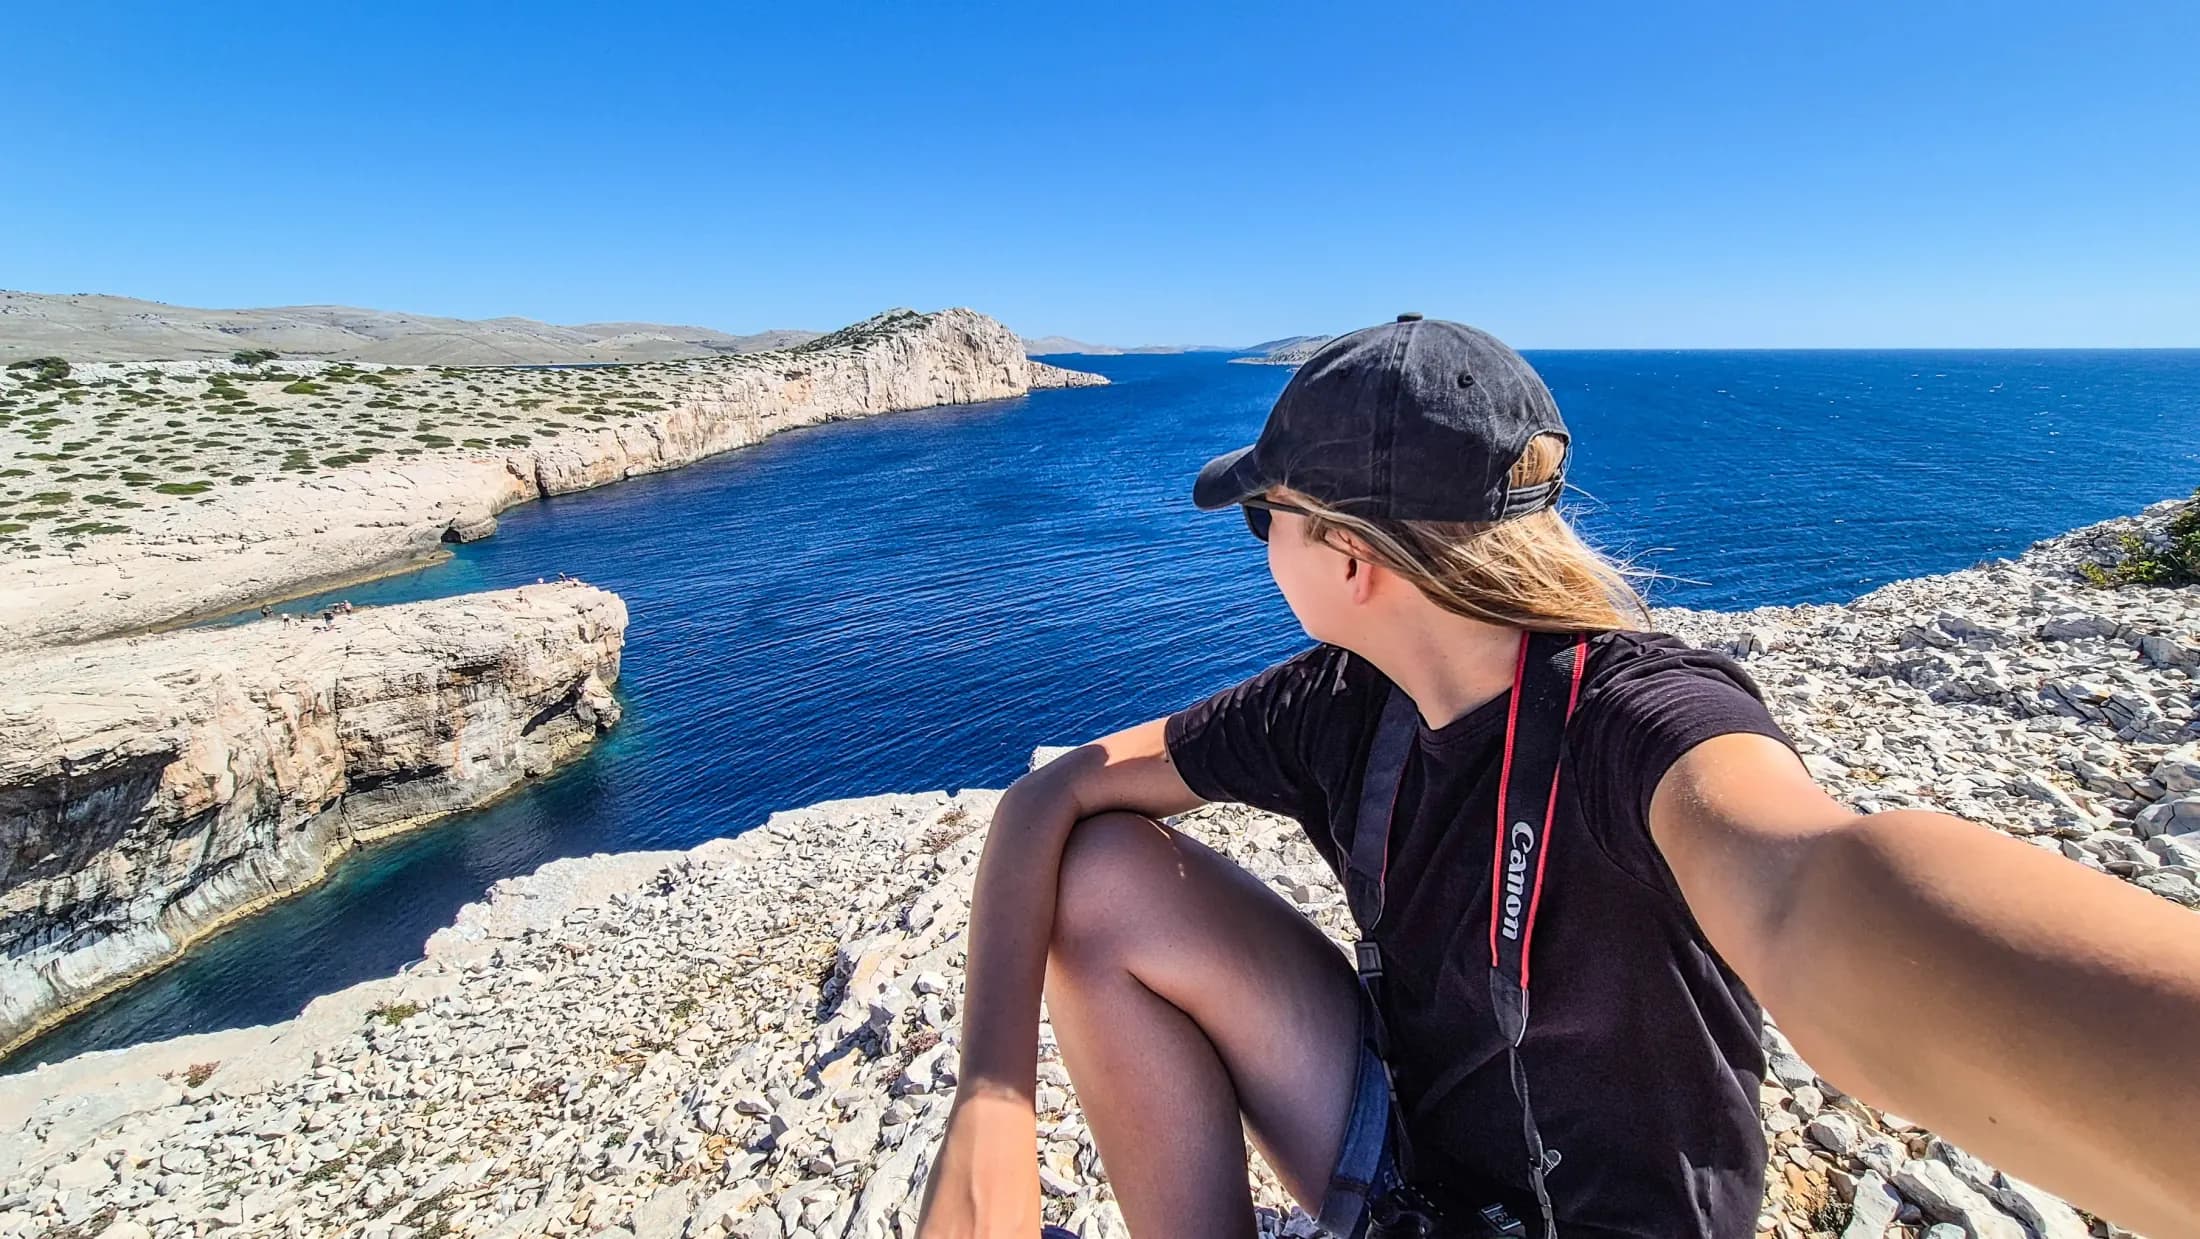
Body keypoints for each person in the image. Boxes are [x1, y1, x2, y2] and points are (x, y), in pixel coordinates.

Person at [914, 317, 2200, 1239]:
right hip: (1412, 1156)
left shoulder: (1643, 722)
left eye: (1266, 517)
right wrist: (992, 1099)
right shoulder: (1337, 703)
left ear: (1349, 558)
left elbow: (1811, 888)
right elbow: (1053, 797)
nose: (1258, 546)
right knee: (1101, 871)